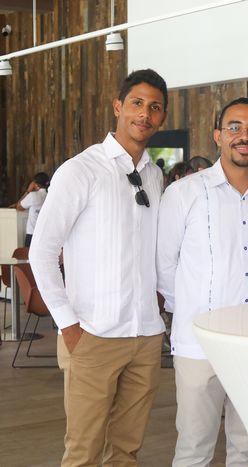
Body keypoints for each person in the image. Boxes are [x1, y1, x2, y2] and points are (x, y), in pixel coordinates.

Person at [29, 69, 168, 466]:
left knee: (126, 451)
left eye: (155, 107)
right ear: (118, 106)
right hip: (93, 333)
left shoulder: (154, 175)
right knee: (83, 452)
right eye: (137, 103)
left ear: (162, 117)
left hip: (145, 334)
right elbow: (42, 251)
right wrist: (68, 325)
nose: (145, 114)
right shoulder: (81, 170)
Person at [157, 97, 248, 467]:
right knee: (194, 447)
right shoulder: (183, 194)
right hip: (198, 344)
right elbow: (165, 267)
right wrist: (194, 312)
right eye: (234, 127)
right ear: (218, 136)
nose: (244, 136)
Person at [9, 171, 50, 246]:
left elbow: (19, 207)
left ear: (35, 184)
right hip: (46, 234)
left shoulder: (33, 195)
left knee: (28, 253)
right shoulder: (50, 196)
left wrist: (28, 190)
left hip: (32, 234)